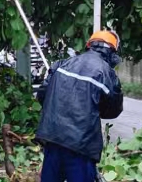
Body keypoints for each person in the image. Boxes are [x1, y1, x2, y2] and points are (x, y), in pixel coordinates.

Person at [35, 30, 124, 182]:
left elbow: (42, 95)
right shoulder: (107, 73)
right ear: (112, 52)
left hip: (53, 138)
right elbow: (113, 110)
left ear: (89, 45)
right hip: (81, 145)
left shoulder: (62, 64)